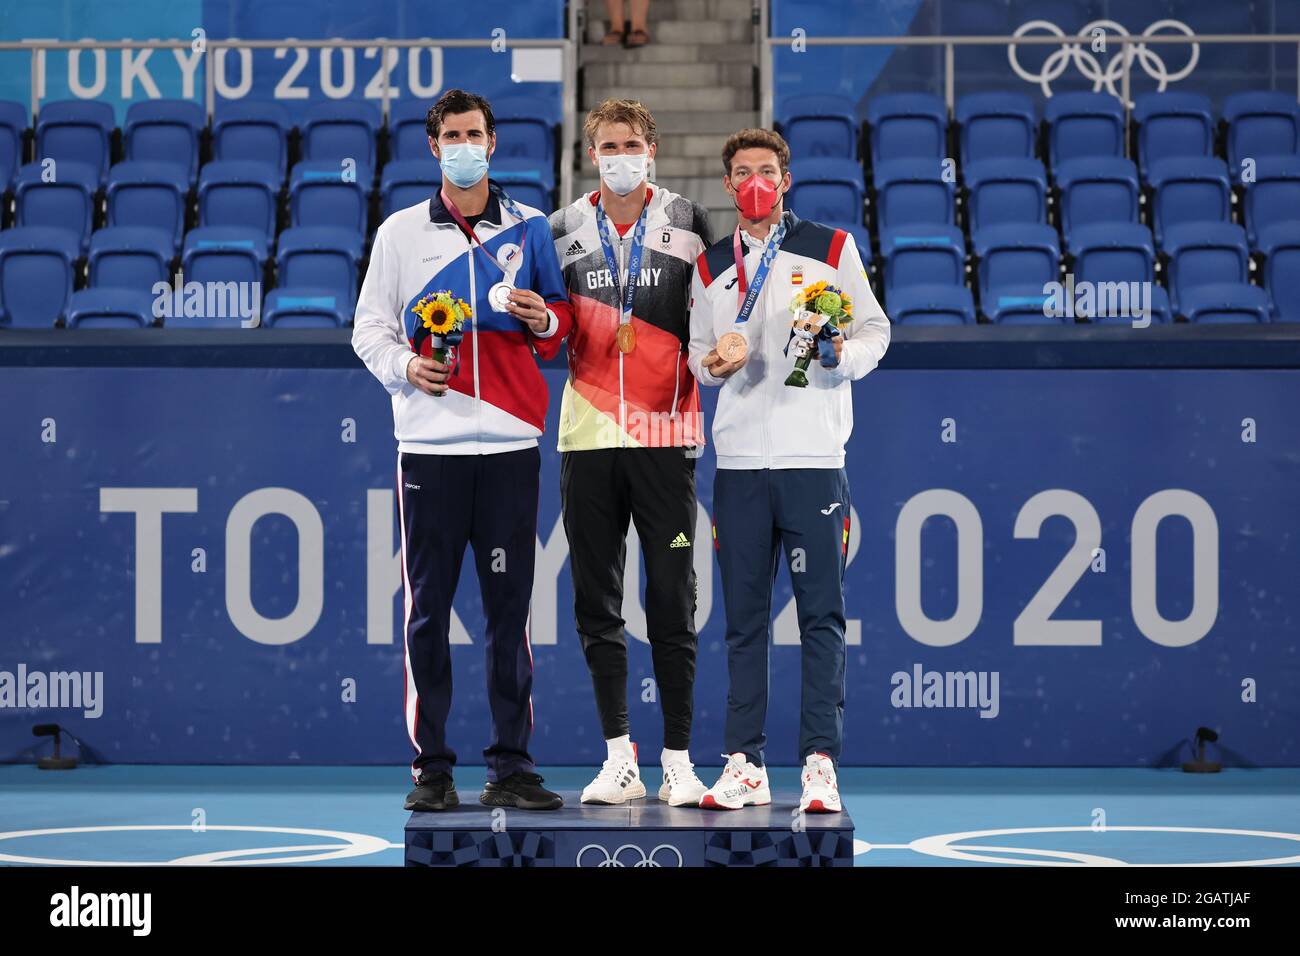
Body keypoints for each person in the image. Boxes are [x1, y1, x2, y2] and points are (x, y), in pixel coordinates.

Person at [352, 88, 574, 813]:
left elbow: (560, 329)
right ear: (433, 147)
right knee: (429, 611)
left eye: (474, 132)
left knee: (511, 614)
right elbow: (369, 330)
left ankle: (510, 764)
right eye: (451, 134)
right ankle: (433, 768)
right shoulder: (399, 235)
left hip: (511, 444)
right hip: (430, 447)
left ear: (494, 141)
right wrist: (406, 368)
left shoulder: (534, 227)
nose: (463, 144)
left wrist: (544, 318)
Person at [687, 128, 890, 813]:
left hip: (814, 459)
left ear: (786, 179)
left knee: (820, 620)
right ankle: (744, 763)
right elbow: (695, 358)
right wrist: (713, 367)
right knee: (742, 622)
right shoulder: (710, 264)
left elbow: (875, 329)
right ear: (726, 184)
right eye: (741, 171)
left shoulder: (833, 249)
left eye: (766, 171)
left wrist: (840, 358)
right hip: (739, 462)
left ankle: (819, 765)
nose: (754, 182)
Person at [548, 99, 713, 805]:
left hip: (665, 434)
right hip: (587, 435)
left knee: (672, 598)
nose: (620, 155)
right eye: (608, 145)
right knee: (596, 598)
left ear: (653, 150)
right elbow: (549, 329)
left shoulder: (687, 223)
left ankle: (678, 758)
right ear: (593, 155)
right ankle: (619, 755)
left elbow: (709, 321)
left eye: (632, 143)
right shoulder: (560, 230)